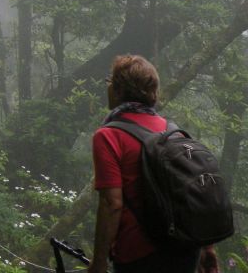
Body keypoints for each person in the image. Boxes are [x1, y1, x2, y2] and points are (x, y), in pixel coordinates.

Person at [88, 54, 219, 273]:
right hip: (185, 250)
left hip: (138, 255)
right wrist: (208, 249)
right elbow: (193, 192)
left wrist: (99, 261)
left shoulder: (108, 136)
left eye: (110, 82)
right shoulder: (173, 131)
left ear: (119, 90)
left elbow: (112, 204)